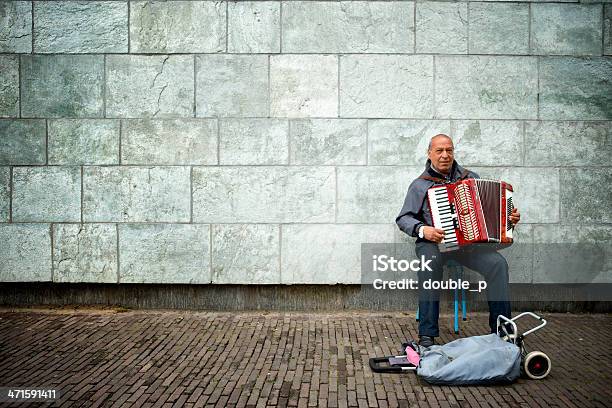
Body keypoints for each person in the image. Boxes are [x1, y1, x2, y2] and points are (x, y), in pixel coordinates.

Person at [396, 134, 521, 347]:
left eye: (449, 150)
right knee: (429, 265)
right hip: (432, 244)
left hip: (468, 246)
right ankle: (427, 334)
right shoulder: (420, 185)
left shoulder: (470, 178)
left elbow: (488, 214)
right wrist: (423, 230)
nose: (445, 155)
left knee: (498, 264)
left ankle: (502, 331)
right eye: (439, 151)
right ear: (429, 153)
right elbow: (403, 218)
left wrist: (507, 219)